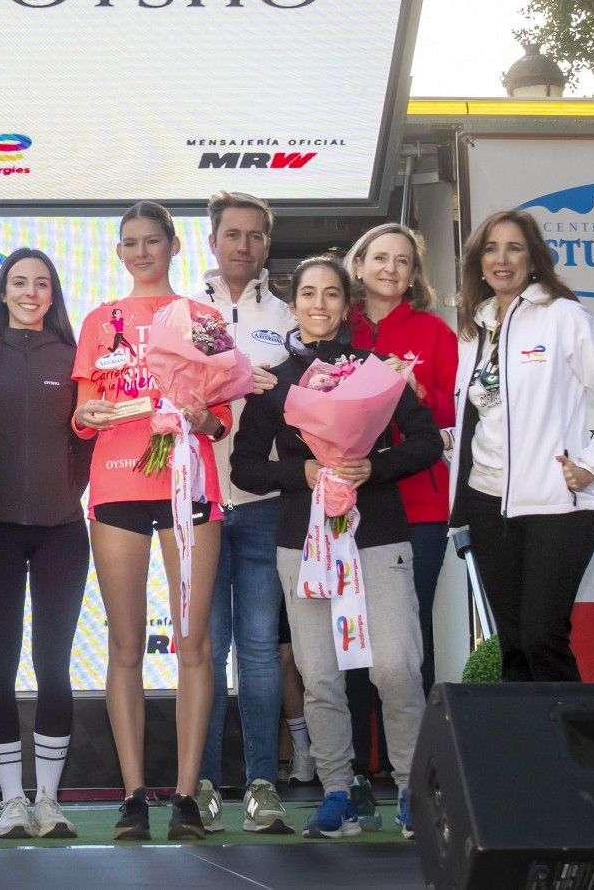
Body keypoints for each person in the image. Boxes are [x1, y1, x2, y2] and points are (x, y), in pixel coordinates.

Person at [231, 256, 443, 841]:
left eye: (330, 294)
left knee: (395, 665)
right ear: (292, 304)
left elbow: (427, 441)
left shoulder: (377, 371)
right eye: (308, 293)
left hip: (378, 536)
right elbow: (245, 467)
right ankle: (337, 793)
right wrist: (299, 473)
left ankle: (411, 791)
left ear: (346, 306)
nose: (319, 304)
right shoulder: (273, 382)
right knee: (320, 674)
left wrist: (373, 466)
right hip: (303, 544)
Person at [71, 201, 230, 842]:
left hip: (190, 486)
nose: (142, 253)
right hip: (116, 486)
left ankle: (186, 796)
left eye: (152, 242)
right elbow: (84, 410)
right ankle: (133, 795)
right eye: (130, 243)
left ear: (173, 246)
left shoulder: (203, 319)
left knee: (194, 644)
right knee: (124, 645)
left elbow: (222, 420)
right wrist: (89, 416)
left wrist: (200, 416)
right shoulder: (99, 320)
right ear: (118, 252)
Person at [449, 211, 594, 682]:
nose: (502, 259)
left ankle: (576, 734)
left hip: (556, 505)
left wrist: (591, 464)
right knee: (514, 647)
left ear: (534, 259)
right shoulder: (472, 331)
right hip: (486, 503)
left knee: (542, 638)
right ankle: (527, 734)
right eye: (491, 249)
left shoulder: (564, 317)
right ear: (478, 263)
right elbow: (481, 417)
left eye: (514, 247)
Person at [342, 223, 458, 818]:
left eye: (403, 261)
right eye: (380, 257)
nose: (391, 268)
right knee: (352, 641)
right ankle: (360, 774)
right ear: (359, 265)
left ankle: (419, 774)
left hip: (418, 506)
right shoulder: (339, 326)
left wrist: (416, 392)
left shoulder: (435, 333)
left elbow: (456, 413)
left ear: (415, 273)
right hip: (346, 508)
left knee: (409, 644)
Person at [0, 248, 92, 841]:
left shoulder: (73, 355)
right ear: (1, 291)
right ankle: (11, 801)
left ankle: (48, 800)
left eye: (41, 283)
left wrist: (69, 490)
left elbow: (89, 436)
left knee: (53, 665)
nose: (30, 292)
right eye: (18, 282)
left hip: (62, 531)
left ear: (54, 293)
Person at [196, 192, 293, 835]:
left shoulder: (287, 317)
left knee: (259, 651)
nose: (243, 245)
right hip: (198, 503)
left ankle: (261, 785)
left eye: (255, 236)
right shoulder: (183, 312)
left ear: (266, 245)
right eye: (233, 234)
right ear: (212, 241)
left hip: (263, 505)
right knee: (203, 651)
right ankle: (201, 785)